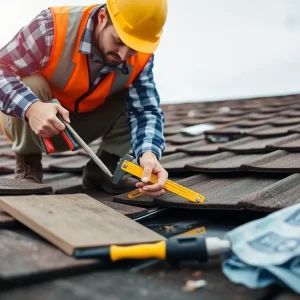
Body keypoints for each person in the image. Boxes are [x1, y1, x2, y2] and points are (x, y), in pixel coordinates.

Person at [0, 0, 168, 198]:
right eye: (119, 41)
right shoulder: (52, 26)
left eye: (133, 49)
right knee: (32, 83)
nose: (124, 55)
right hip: (32, 125)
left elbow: (145, 110)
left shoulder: (143, 56)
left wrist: (148, 154)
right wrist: (31, 108)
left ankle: (103, 171)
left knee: (134, 98)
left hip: (82, 127)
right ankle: (28, 167)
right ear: (103, 18)